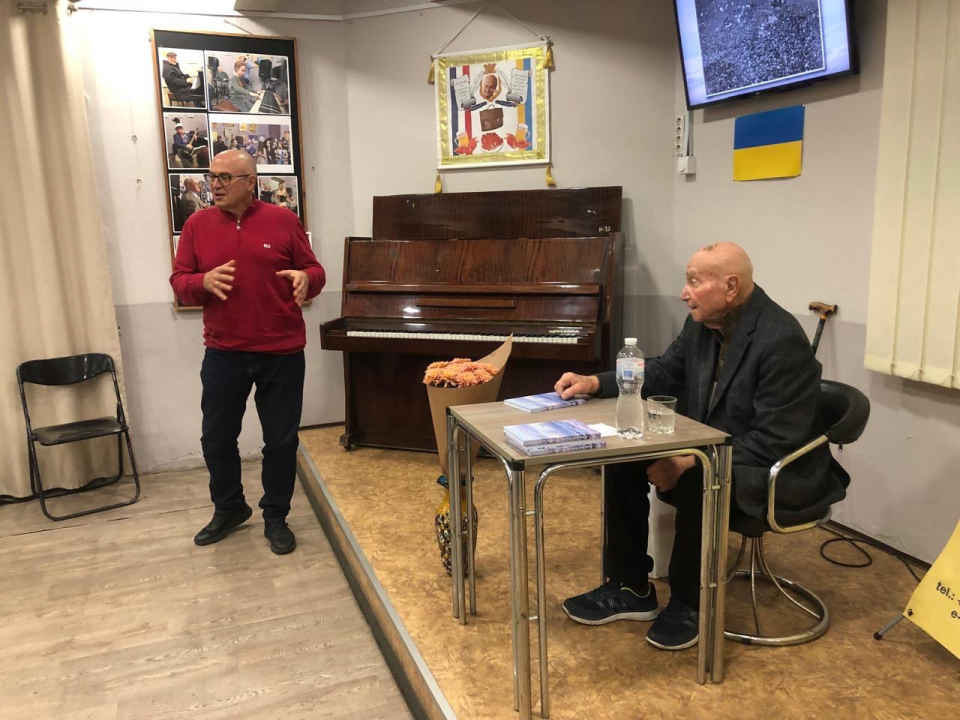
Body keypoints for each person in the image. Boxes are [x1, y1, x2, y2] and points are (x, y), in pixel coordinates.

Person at [553, 242, 849, 650]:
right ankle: (630, 587)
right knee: (624, 455)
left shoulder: (781, 341)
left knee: (701, 479)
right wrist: (595, 382)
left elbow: (775, 440)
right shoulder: (703, 323)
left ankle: (690, 604)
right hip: (719, 448)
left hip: (777, 470)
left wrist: (688, 461)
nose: (683, 293)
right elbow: (664, 370)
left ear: (731, 286)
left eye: (694, 282)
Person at [170, 149, 325, 555]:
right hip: (224, 352)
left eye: (225, 177)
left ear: (250, 182)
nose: (215, 184)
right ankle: (230, 508)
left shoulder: (283, 220)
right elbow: (180, 280)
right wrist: (202, 282)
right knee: (217, 439)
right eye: (212, 176)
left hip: (282, 352)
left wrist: (305, 278)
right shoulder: (197, 225)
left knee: (281, 442)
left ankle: (276, 516)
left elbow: (316, 271)